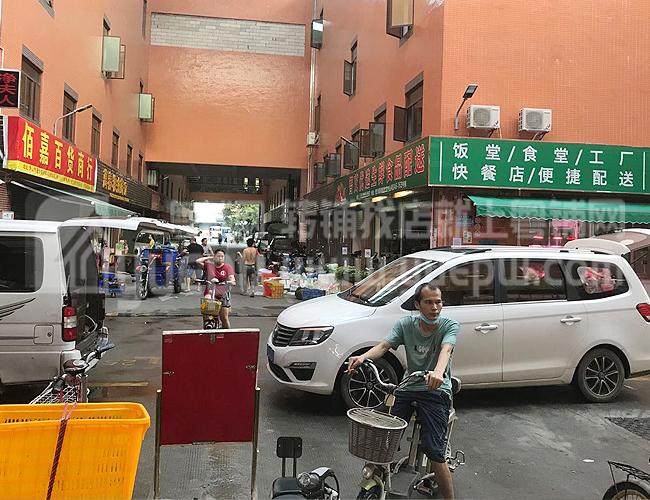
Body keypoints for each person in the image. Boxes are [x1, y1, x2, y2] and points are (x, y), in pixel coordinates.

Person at [347, 283, 458, 499]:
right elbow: (384, 346)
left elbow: (446, 349)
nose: (435, 307)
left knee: (433, 449)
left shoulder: (449, 325)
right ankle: (377, 481)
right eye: (429, 302)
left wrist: (437, 373)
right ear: (417, 305)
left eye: (438, 302)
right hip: (408, 387)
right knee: (385, 440)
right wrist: (363, 357)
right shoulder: (406, 325)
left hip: (436, 389)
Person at [196, 249, 237, 329]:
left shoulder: (227, 267)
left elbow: (231, 277)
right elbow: (198, 261)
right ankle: (206, 328)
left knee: (224, 318)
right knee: (206, 311)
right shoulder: (209, 266)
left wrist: (232, 281)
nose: (220, 258)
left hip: (223, 295)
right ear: (214, 257)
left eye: (222, 256)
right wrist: (210, 257)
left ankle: (227, 334)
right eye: (218, 256)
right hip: (211, 294)